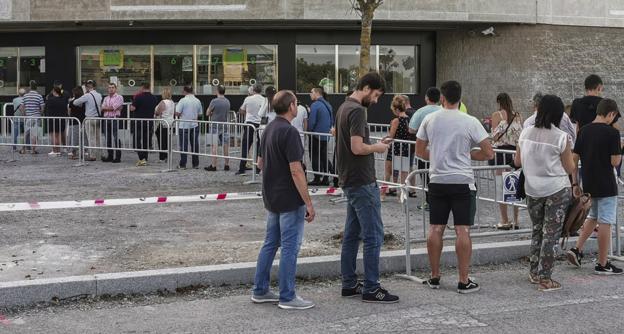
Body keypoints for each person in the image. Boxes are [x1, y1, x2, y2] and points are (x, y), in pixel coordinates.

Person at [416, 80, 494, 294]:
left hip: (437, 180)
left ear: (442, 97)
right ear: (460, 99)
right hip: (462, 181)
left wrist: (439, 156)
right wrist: (467, 155)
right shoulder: (470, 121)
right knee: (463, 229)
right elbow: (489, 153)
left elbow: (419, 151)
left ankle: (434, 276)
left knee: (435, 228)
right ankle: (463, 279)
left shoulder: (429, 119)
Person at [335, 72, 399, 303]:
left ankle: (349, 284)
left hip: (350, 180)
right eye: (377, 95)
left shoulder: (343, 107)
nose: (376, 100)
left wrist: (375, 144)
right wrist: (378, 148)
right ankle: (372, 288)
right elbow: (357, 147)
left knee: (352, 235)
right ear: (367, 87)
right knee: (373, 236)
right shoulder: (357, 111)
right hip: (362, 181)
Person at [251, 90, 316, 310]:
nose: (297, 106)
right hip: (289, 198)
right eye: (296, 103)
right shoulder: (290, 132)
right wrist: (308, 202)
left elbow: (260, 163)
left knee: (270, 244)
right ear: (291, 107)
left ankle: (260, 290)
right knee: (290, 247)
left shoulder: (268, 129)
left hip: (271, 196)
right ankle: (287, 296)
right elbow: (296, 170)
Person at [514, 95, 578, 291]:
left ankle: (534, 272)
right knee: (551, 234)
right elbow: (569, 167)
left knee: (537, 230)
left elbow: (517, 161)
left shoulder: (525, 132)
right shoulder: (560, 136)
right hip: (556, 190)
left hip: (532, 189)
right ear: (559, 114)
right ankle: (546, 278)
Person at [567, 98, 623, 275]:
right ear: (611, 114)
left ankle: (576, 249)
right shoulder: (612, 133)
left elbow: (573, 160)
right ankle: (602, 263)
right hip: (606, 182)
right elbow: (615, 162)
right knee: (605, 220)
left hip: (589, 182)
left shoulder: (583, 131)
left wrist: (575, 182)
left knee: (593, 216)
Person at [489, 93, 523, 230]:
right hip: (515, 153)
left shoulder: (497, 115)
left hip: (501, 153)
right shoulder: (518, 115)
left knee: (501, 186)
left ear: (499, 102)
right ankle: (516, 220)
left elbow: (495, 137)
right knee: (514, 186)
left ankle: (504, 219)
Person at [409, 87, 441, 210]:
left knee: (425, 176)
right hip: (440, 150)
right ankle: (440, 201)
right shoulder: (444, 110)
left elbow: (411, 129)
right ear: (439, 98)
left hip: (424, 150)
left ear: (426, 98)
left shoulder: (421, 112)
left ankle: (429, 201)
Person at [382, 95, 416, 200]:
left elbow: (391, 137)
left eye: (393, 110)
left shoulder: (396, 120)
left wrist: (383, 141)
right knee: (404, 174)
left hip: (395, 149)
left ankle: (382, 195)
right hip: (405, 149)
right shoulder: (409, 119)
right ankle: (401, 196)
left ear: (396, 109)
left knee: (388, 172)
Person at [308, 86, 334, 186]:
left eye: (311, 92)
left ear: (316, 93)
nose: (310, 94)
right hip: (325, 135)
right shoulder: (328, 104)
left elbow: (312, 122)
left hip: (315, 135)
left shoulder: (315, 105)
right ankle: (329, 176)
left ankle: (317, 178)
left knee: (314, 156)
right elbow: (332, 120)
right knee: (323, 156)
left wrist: (309, 132)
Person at [71, 80, 103, 161]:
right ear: (94, 86)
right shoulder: (99, 95)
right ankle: (100, 154)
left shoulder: (87, 95)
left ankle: (92, 155)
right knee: (98, 137)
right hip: (98, 118)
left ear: (87, 87)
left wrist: (84, 94)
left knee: (91, 137)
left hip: (89, 118)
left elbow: (75, 102)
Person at [237, 83, 264, 175]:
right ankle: (258, 168)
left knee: (246, 145)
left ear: (253, 90)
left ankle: (242, 168)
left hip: (249, 123)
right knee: (260, 145)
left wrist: (247, 111)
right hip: (259, 124)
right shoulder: (264, 100)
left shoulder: (248, 99)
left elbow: (241, 110)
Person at [130, 82, 158, 166]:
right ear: (149, 87)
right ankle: (145, 158)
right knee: (146, 140)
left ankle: (141, 158)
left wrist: (132, 104)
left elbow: (132, 108)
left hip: (139, 122)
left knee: (137, 140)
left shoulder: (138, 97)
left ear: (142, 87)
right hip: (149, 121)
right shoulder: (154, 98)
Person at [205, 85, 231, 171]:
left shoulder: (214, 101)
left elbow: (207, 113)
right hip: (224, 126)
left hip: (214, 126)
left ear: (217, 91)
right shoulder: (227, 101)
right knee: (226, 146)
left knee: (214, 146)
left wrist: (212, 113)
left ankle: (213, 165)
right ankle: (227, 164)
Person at [175, 85, 202, 170]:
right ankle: (195, 164)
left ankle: (183, 164)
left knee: (183, 145)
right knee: (195, 145)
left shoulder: (183, 100)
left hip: (184, 125)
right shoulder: (197, 100)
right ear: (192, 91)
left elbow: (177, 113)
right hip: (194, 125)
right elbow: (200, 114)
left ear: (185, 91)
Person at [101, 83, 123, 163]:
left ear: (115, 89)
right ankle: (110, 156)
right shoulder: (106, 98)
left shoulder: (119, 97)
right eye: (109, 87)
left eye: (112, 87)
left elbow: (114, 107)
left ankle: (118, 157)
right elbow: (102, 108)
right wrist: (110, 108)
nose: (111, 89)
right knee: (108, 138)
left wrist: (107, 108)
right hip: (106, 119)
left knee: (116, 137)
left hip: (115, 119)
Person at [44, 86, 69, 156]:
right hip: (61, 119)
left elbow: (46, 109)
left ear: (54, 92)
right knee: (59, 135)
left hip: (52, 119)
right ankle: (58, 151)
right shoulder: (63, 100)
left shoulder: (50, 100)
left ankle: (55, 151)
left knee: (53, 136)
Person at [22, 80, 45, 154]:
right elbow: (42, 108)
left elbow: (22, 107)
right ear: (36, 87)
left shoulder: (25, 96)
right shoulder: (39, 96)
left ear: (30, 87)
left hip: (28, 117)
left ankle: (23, 149)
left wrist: (24, 114)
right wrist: (40, 114)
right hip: (36, 117)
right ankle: (33, 150)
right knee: (34, 134)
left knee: (26, 133)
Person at [154, 87, 175, 163]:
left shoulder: (163, 102)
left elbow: (158, 112)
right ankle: (166, 156)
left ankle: (162, 157)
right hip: (170, 122)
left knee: (161, 140)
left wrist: (156, 112)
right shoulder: (172, 102)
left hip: (163, 122)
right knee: (166, 140)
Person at [67, 87, 86, 160]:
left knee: (73, 138)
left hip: (74, 121)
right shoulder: (84, 102)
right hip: (82, 121)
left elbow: (69, 111)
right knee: (83, 137)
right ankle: (83, 152)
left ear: (74, 93)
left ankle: (73, 153)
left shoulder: (72, 102)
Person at [12, 88, 26, 152]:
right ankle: (25, 147)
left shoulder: (14, 100)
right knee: (26, 134)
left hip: (16, 119)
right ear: (25, 94)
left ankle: (14, 148)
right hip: (25, 119)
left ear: (19, 93)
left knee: (15, 134)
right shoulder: (26, 99)